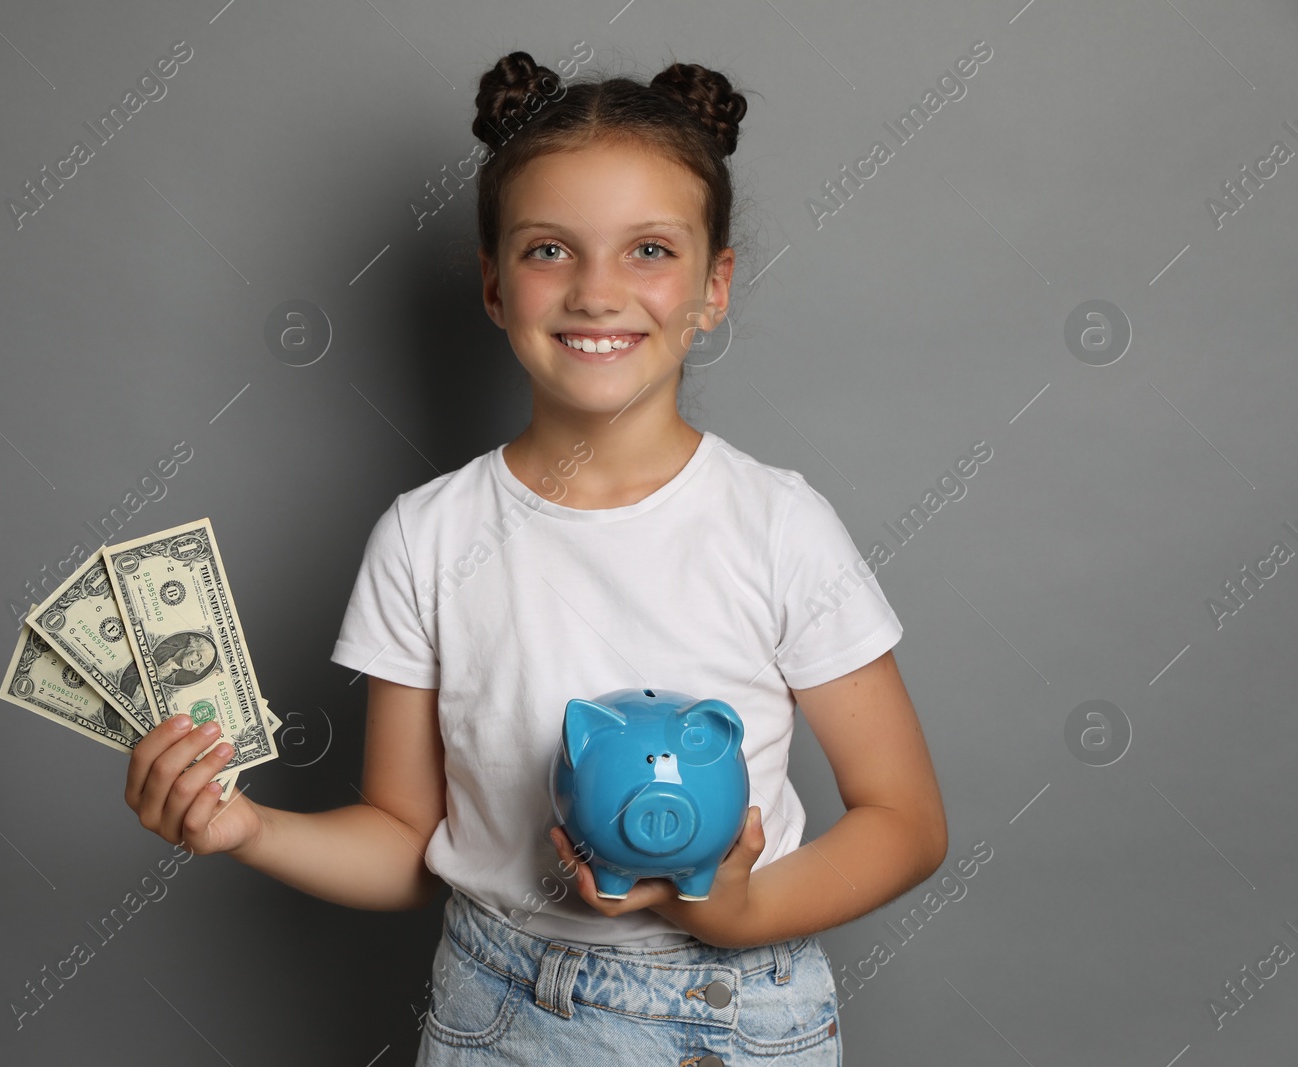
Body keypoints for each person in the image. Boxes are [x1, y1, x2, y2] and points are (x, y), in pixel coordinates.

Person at [124, 49, 947, 1065]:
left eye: (648, 249)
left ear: (713, 285)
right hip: (496, 1010)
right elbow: (401, 838)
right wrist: (248, 827)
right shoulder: (425, 537)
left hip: (732, 1011)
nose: (598, 292)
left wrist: (737, 908)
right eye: (550, 250)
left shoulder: (778, 525)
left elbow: (905, 819)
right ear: (492, 284)